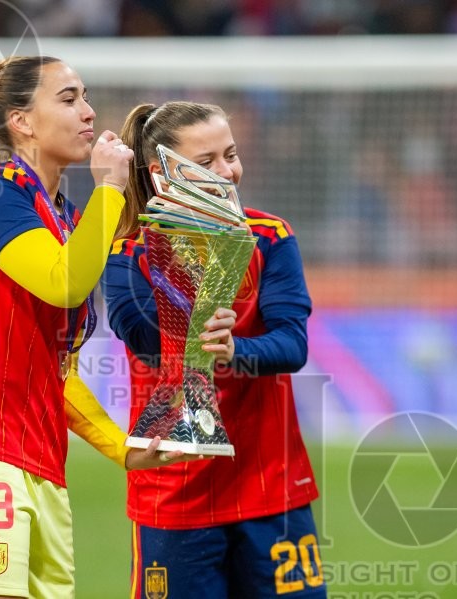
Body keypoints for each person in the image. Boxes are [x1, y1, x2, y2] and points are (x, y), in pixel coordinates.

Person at [0, 56, 189, 599]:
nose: (88, 112)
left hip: (41, 464)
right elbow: (63, 284)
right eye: (68, 98)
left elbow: (58, 371)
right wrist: (110, 188)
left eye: (86, 96)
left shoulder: (69, 218)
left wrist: (120, 447)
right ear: (23, 121)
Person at [102, 101, 327, 598]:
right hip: (173, 492)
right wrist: (194, 289)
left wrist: (234, 350)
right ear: (162, 172)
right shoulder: (126, 253)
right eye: (206, 163)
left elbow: (292, 344)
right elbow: (142, 341)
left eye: (231, 154)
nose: (228, 172)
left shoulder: (270, 236)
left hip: (270, 487)